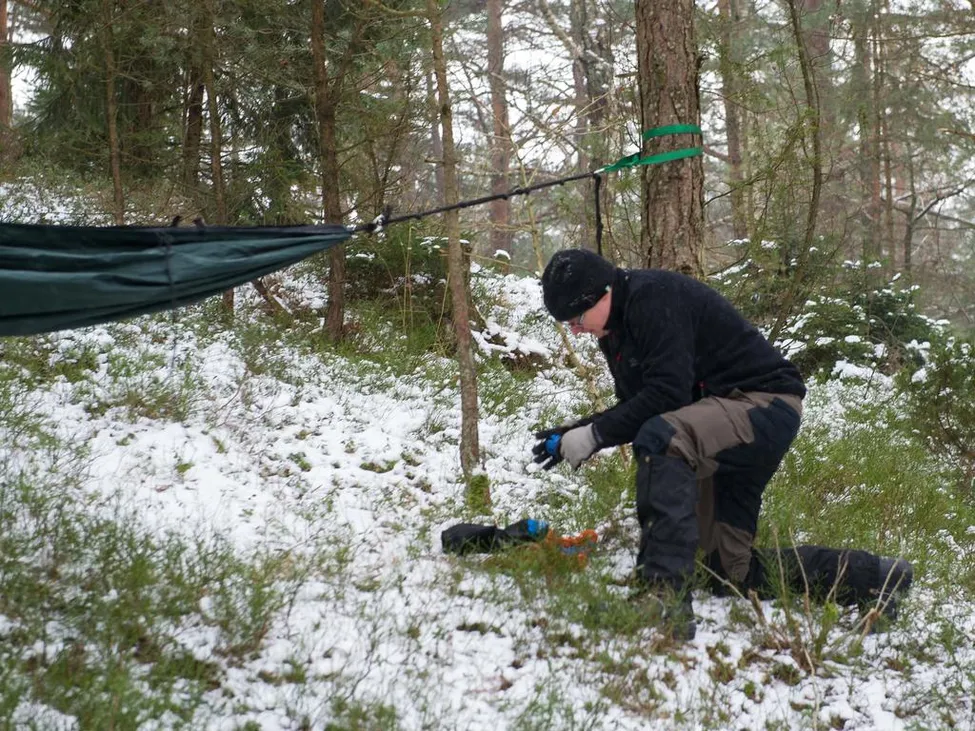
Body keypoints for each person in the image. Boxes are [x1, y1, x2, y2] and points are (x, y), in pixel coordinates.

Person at [532, 249, 913, 640]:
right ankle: (878, 577)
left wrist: (594, 436)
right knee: (730, 573)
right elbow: (639, 405)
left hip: (762, 404)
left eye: (577, 319)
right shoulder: (614, 332)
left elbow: (666, 399)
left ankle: (663, 596)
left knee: (663, 438)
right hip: (720, 421)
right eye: (568, 324)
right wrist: (577, 431)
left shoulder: (653, 297)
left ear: (604, 292)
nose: (576, 330)